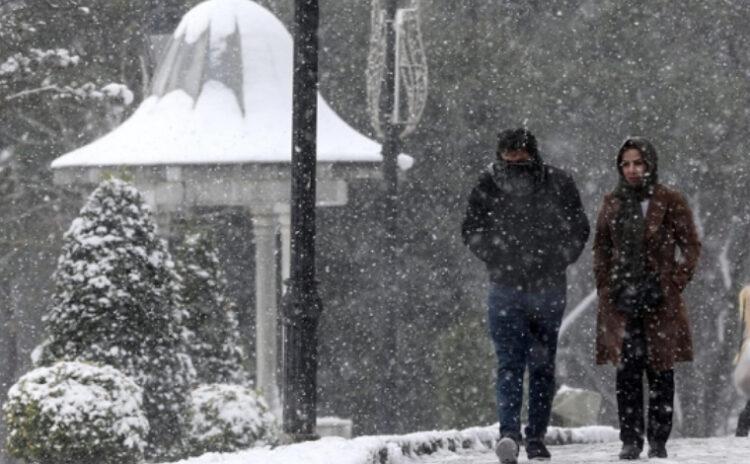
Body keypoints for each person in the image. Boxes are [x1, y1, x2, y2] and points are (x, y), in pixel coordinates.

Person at [462, 128, 590, 463]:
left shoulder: (558, 184)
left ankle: (532, 435)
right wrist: (501, 255)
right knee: (515, 364)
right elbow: (472, 230)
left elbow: (578, 228)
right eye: (510, 155)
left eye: (520, 154)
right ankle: (513, 434)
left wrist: (554, 257)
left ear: (531, 153)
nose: (515, 161)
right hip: (509, 286)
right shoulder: (488, 185)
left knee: (537, 365)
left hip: (542, 287)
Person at [593, 137, 701, 460]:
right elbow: (602, 248)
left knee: (660, 371)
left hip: (660, 301)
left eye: (638, 163)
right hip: (622, 301)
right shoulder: (612, 202)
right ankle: (630, 440)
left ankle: (658, 441)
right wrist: (606, 286)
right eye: (625, 164)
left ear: (649, 164)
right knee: (627, 372)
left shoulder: (669, 199)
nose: (631, 170)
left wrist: (674, 281)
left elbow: (691, 246)